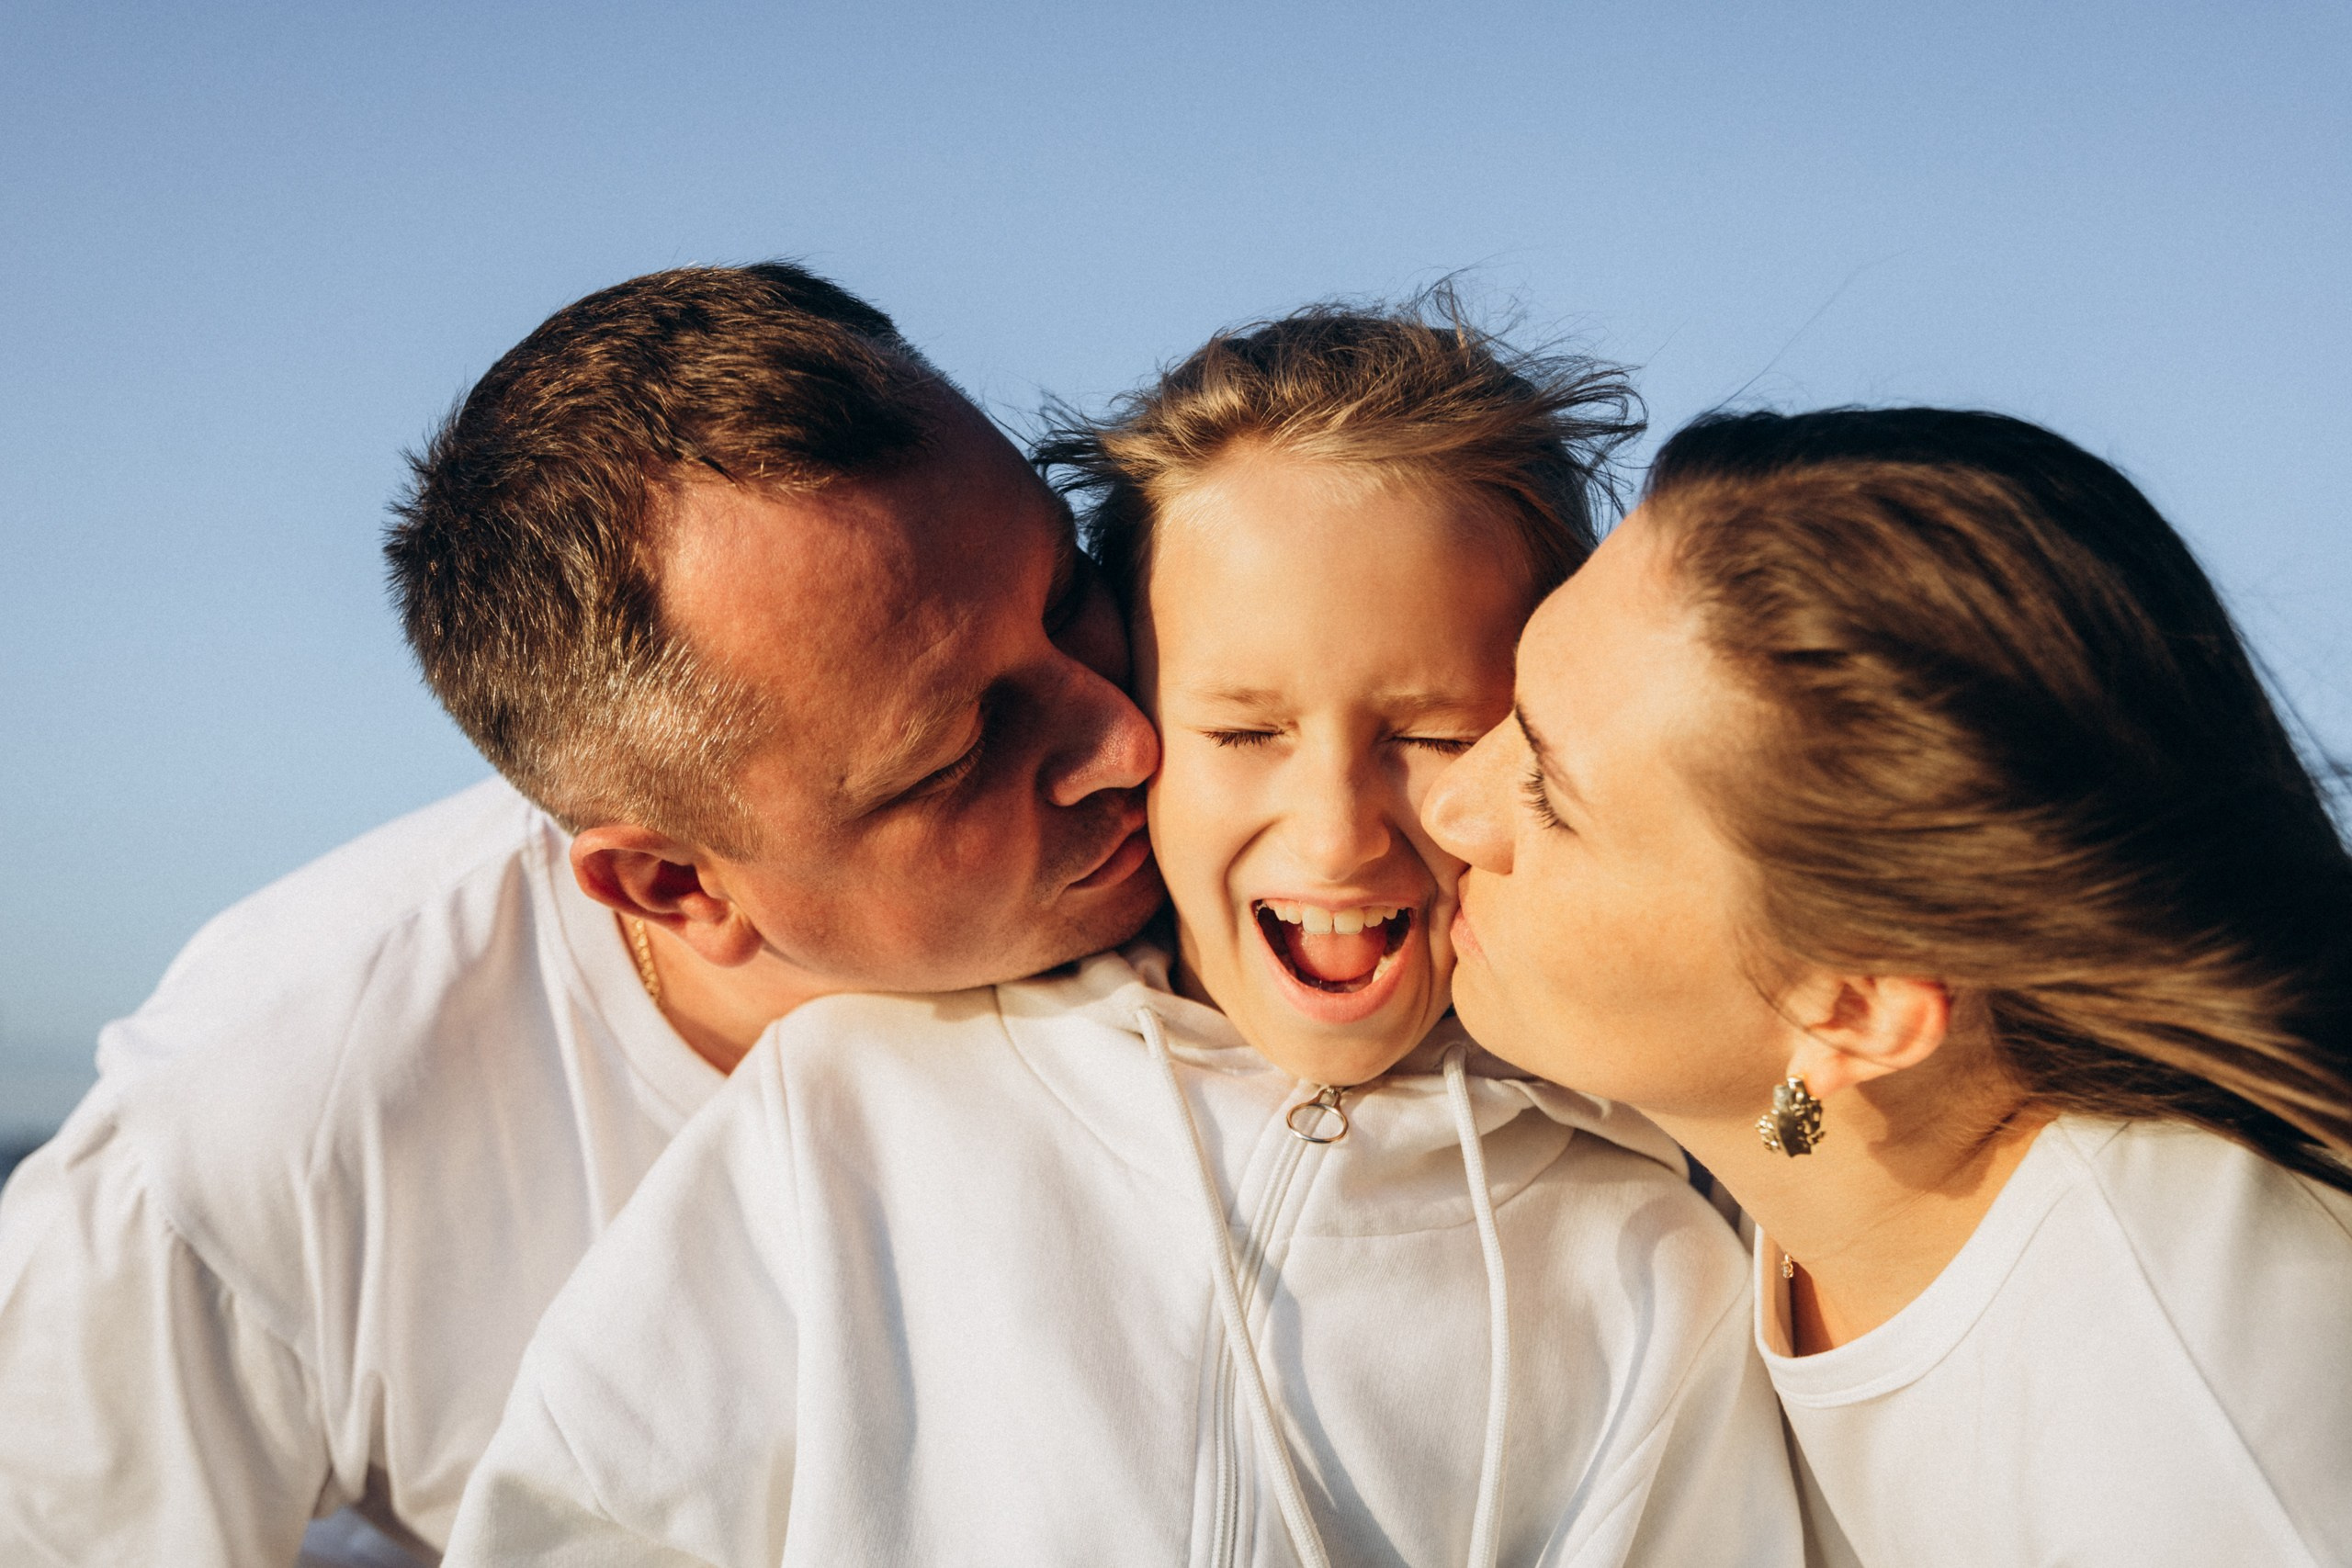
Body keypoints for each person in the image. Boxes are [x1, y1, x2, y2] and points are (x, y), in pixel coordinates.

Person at [446, 299, 1802, 1568]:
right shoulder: (851, 1117)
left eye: (1433, 732)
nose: (1333, 832)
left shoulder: (1648, 1253)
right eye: (1242, 730)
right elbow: (580, 1518)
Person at [0, 262, 1162, 1567]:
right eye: (957, 750)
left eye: (1067, 592)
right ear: (676, 882)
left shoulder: (1261, 864)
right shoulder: (259, 1135)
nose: (1124, 737)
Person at [1421, 406, 2352, 1567]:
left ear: (1855, 1007)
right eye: (1509, 709)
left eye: (1550, 795)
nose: (1447, 805)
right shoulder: (1791, 1160)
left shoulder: (2207, 1457)